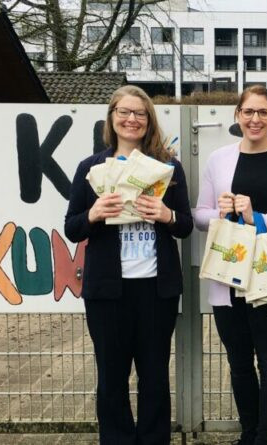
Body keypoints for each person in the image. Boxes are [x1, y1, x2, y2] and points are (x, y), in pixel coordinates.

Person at [64, 85, 193, 445]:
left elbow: (184, 225)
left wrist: (167, 214)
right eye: (124, 111)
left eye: (139, 113)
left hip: (157, 289)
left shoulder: (168, 168)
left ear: (149, 120)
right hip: (107, 293)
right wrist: (93, 213)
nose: (131, 119)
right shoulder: (91, 169)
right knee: (111, 377)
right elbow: (72, 227)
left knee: (154, 376)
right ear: (112, 118)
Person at [193, 85, 267, 445]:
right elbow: (198, 217)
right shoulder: (219, 159)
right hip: (228, 276)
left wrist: (257, 217)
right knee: (239, 362)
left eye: (263, 112)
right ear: (237, 116)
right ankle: (249, 432)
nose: (255, 119)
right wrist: (222, 212)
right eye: (248, 112)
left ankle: (265, 436)